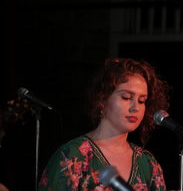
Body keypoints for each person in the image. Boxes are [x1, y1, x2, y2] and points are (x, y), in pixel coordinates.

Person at [38, 57, 170, 191]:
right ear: (102, 100)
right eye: (126, 97)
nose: (135, 107)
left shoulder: (148, 163)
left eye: (142, 101)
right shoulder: (72, 156)